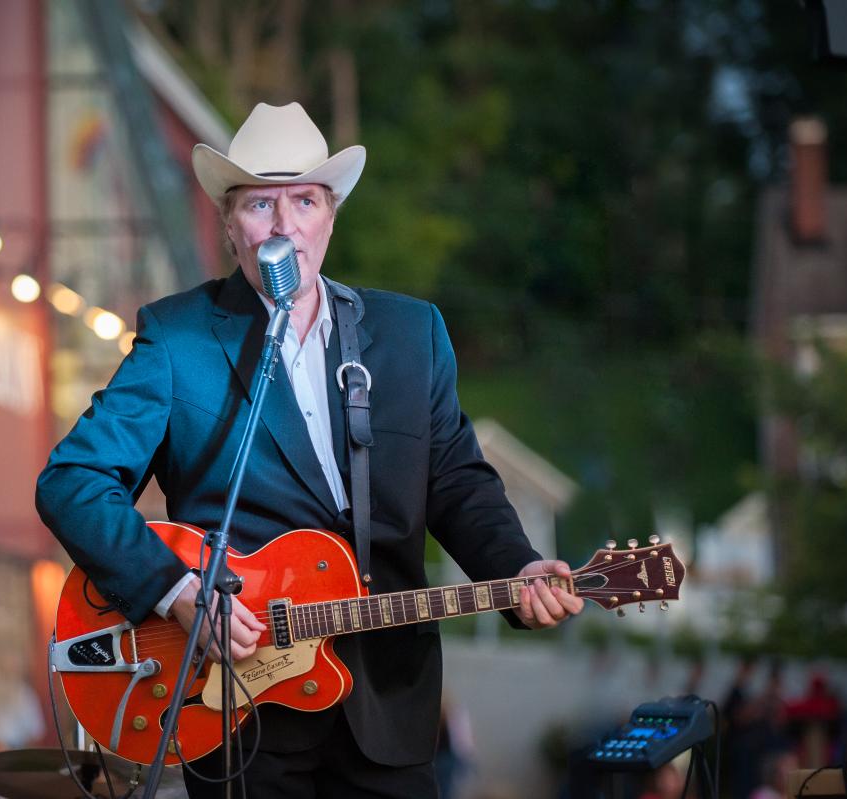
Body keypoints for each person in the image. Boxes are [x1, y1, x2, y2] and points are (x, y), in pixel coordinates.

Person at [36, 101, 583, 799]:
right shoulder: (179, 339)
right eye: (260, 203)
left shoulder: (412, 334)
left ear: (331, 215)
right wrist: (177, 591)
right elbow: (71, 481)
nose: (284, 223)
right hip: (236, 708)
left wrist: (518, 564)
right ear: (231, 226)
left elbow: (456, 479)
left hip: (389, 705)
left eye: (304, 199)